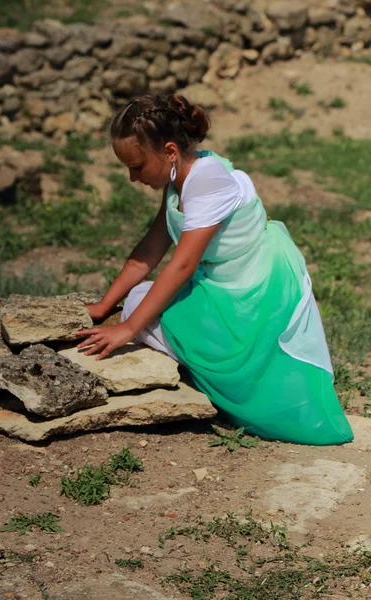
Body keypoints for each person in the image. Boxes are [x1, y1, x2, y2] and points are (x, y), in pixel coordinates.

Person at [75, 93, 353, 446]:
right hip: (222, 280)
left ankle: (220, 381)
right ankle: (207, 364)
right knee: (136, 299)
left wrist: (128, 329)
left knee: (140, 312)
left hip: (256, 288)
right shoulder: (179, 180)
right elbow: (150, 249)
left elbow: (183, 263)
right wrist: (103, 306)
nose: (132, 178)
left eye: (137, 166)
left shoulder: (206, 179)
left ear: (170, 152)